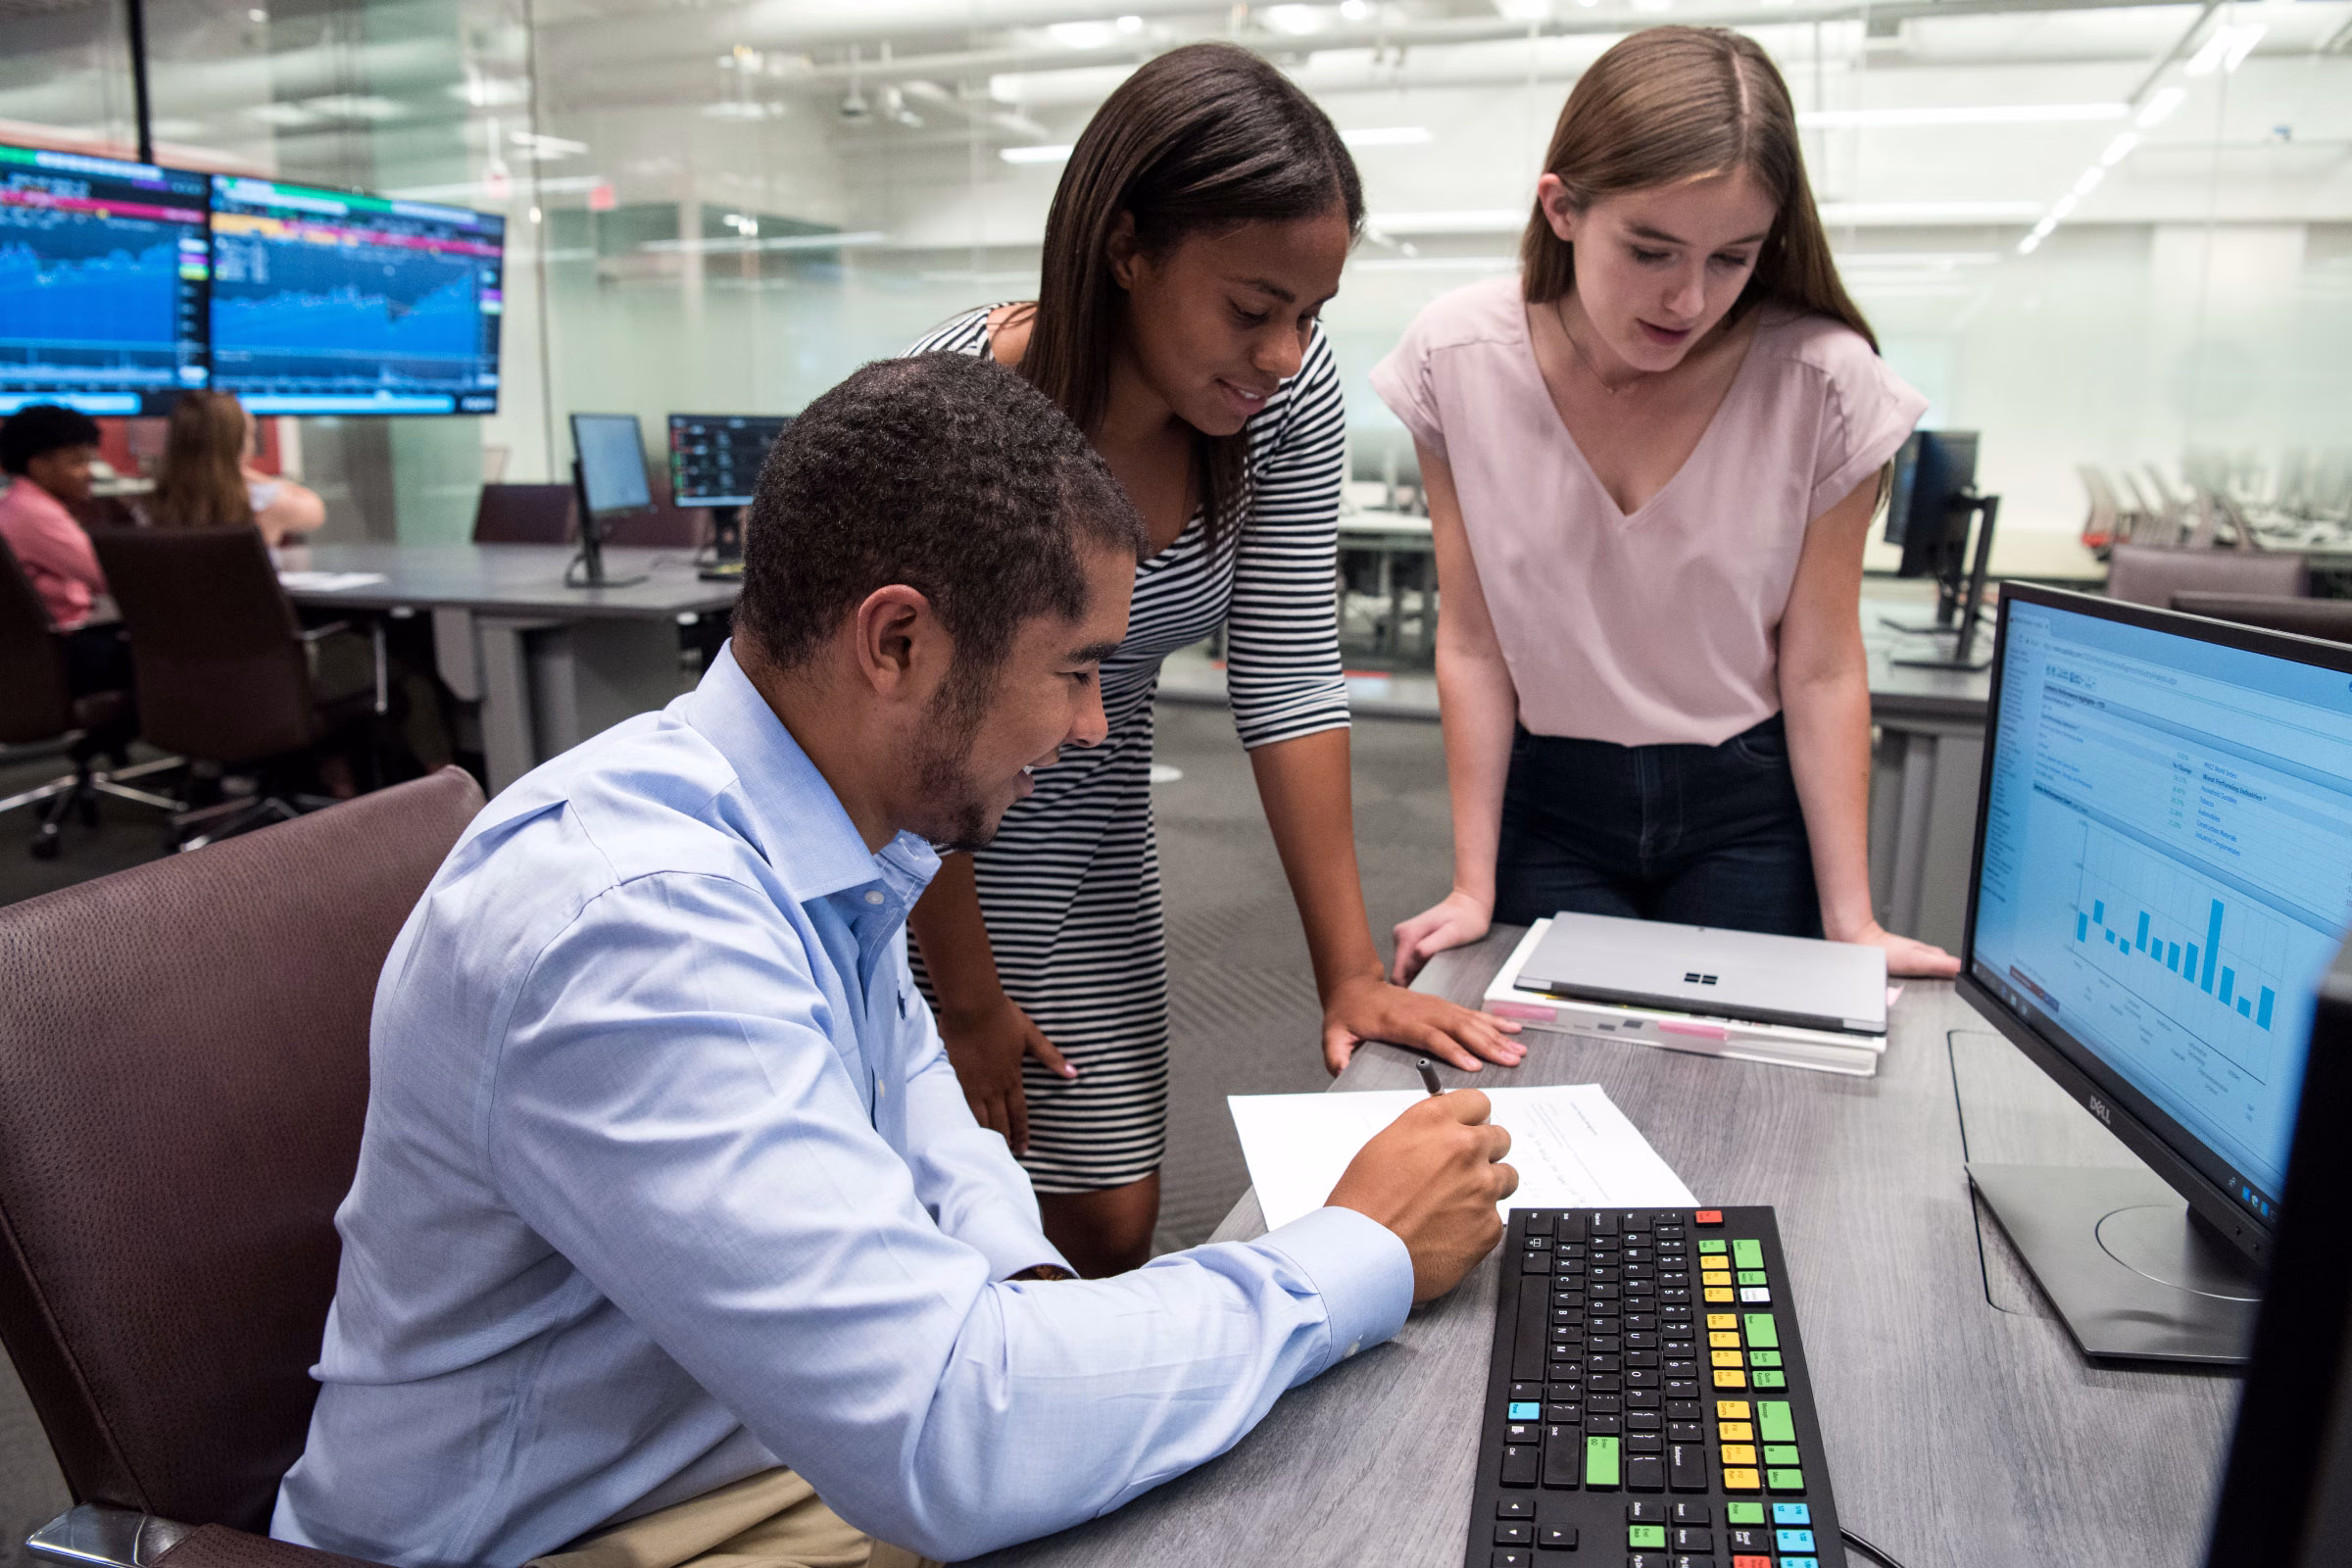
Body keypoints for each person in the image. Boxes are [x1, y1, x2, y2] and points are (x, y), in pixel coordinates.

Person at [269, 352, 1516, 1568]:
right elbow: (951, 1430)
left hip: (743, 1462)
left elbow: (916, 1112)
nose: (1093, 727)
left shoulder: (818, 837)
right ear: (899, 643)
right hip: (567, 1531)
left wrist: (1027, 1284)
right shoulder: (637, 932)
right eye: (1075, 670)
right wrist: (1359, 1248)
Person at [906, 42, 1521, 1277]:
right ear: (1127, 247)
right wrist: (962, 999)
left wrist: (1347, 974)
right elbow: (902, 741)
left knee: (1106, 1220)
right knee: (934, 1216)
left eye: (1310, 315)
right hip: (906, 850)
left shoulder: (1281, 405)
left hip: (1085, 822)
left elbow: (1288, 680)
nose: (1284, 351)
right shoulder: (963, 406)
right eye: (1251, 309)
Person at [1375, 25, 1961, 984]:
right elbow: (1474, 641)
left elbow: (1820, 665)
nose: (1687, 299)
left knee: (1742, 1105)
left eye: (1732, 258)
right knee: (1546, 1099)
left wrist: (1852, 919)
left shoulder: (1824, 383)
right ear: (1563, 209)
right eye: (1651, 250)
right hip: (1551, 799)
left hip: (1745, 809)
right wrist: (1471, 885)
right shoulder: (1456, 358)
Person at [0, 403, 128, 697]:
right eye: (78, 462)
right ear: (39, 465)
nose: (90, 473)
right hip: (64, 650)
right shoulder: (34, 514)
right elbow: (108, 575)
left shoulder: (17, 504)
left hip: (40, 650)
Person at [146, 388, 324, 545]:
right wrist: (240, 470)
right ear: (237, 446)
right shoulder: (261, 503)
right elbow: (315, 510)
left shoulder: (152, 506)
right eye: (249, 434)